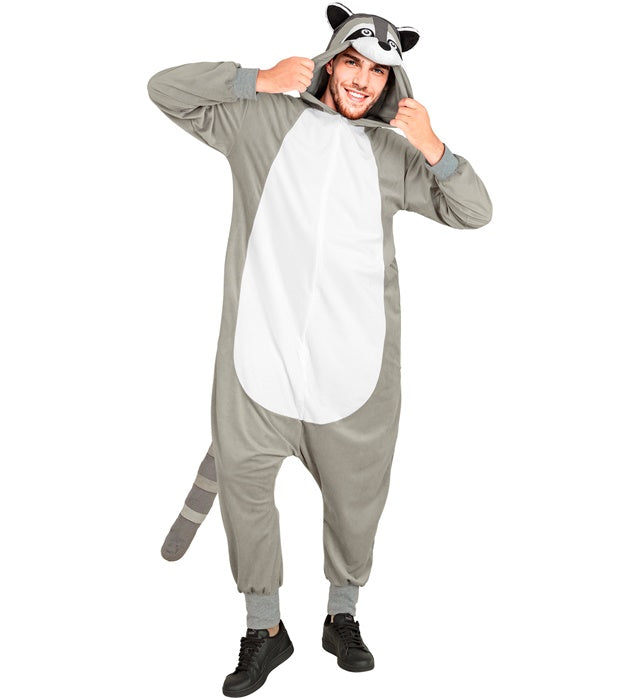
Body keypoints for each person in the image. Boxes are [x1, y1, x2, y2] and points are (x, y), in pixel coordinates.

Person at [147, 3, 492, 696]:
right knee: (246, 492)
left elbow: (473, 211)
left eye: (378, 71)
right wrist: (255, 78)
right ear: (330, 61)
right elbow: (165, 89)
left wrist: (435, 147)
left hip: (353, 370)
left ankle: (343, 616)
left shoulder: (393, 156)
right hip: (258, 360)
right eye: (352, 62)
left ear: (392, 81)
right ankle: (264, 629)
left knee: (356, 502)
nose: (362, 79)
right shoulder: (261, 122)